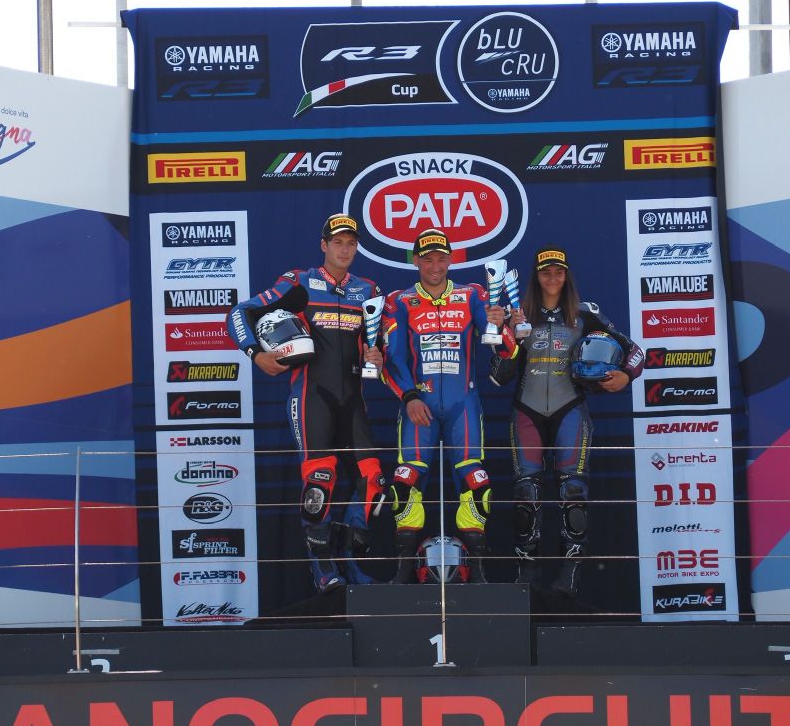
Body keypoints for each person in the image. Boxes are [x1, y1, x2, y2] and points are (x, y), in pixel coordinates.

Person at [227, 213, 387, 593]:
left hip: (353, 399)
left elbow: (377, 343)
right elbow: (239, 313)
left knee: (374, 482)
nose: (344, 249)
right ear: (324, 245)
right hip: (310, 395)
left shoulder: (368, 290)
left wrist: (377, 355)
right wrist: (255, 354)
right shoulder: (299, 282)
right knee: (320, 480)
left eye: (351, 243)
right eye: (338, 242)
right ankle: (323, 569)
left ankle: (350, 561)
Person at [489, 245, 644, 597]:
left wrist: (625, 376)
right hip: (526, 411)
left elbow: (635, 351)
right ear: (536, 276)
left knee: (573, 493)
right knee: (525, 493)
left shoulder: (585, 313)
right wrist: (503, 333)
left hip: (570, 409)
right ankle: (526, 575)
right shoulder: (518, 313)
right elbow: (499, 375)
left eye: (558, 272)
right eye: (546, 272)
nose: (552, 278)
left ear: (567, 276)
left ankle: (569, 578)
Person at [381, 228, 505, 584]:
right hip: (418, 406)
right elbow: (393, 357)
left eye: (441, 259)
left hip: (462, 404)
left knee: (476, 484)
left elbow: (498, 341)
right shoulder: (399, 301)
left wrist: (501, 323)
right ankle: (404, 570)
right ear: (416, 261)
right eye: (427, 259)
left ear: (450, 260)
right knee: (405, 483)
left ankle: (477, 571)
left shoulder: (472, 294)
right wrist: (409, 396)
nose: (435, 266)